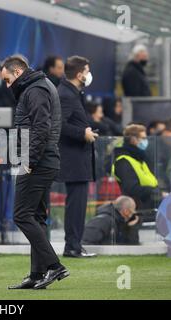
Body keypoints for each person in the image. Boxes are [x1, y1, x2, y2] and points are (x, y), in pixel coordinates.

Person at [0, 55, 69, 290]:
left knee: (21, 215)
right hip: (44, 160)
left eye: (7, 79)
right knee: (36, 217)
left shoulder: (34, 90)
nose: (7, 85)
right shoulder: (40, 85)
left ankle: (54, 266)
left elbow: (41, 127)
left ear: (17, 72)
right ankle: (37, 274)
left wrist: (29, 160)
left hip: (37, 162)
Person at [57, 56, 98, 258]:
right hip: (72, 159)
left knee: (79, 205)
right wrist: (82, 133)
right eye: (87, 70)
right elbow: (58, 125)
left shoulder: (73, 92)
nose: (90, 74)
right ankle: (72, 246)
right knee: (76, 205)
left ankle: (75, 245)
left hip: (78, 158)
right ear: (80, 74)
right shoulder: (66, 94)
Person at [112, 124, 161, 210]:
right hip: (134, 208)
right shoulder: (123, 160)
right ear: (133, 139)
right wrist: (153, 191)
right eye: (143, 138)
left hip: (148, 204)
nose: (146, 141)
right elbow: (131, 188)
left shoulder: (139, 158)